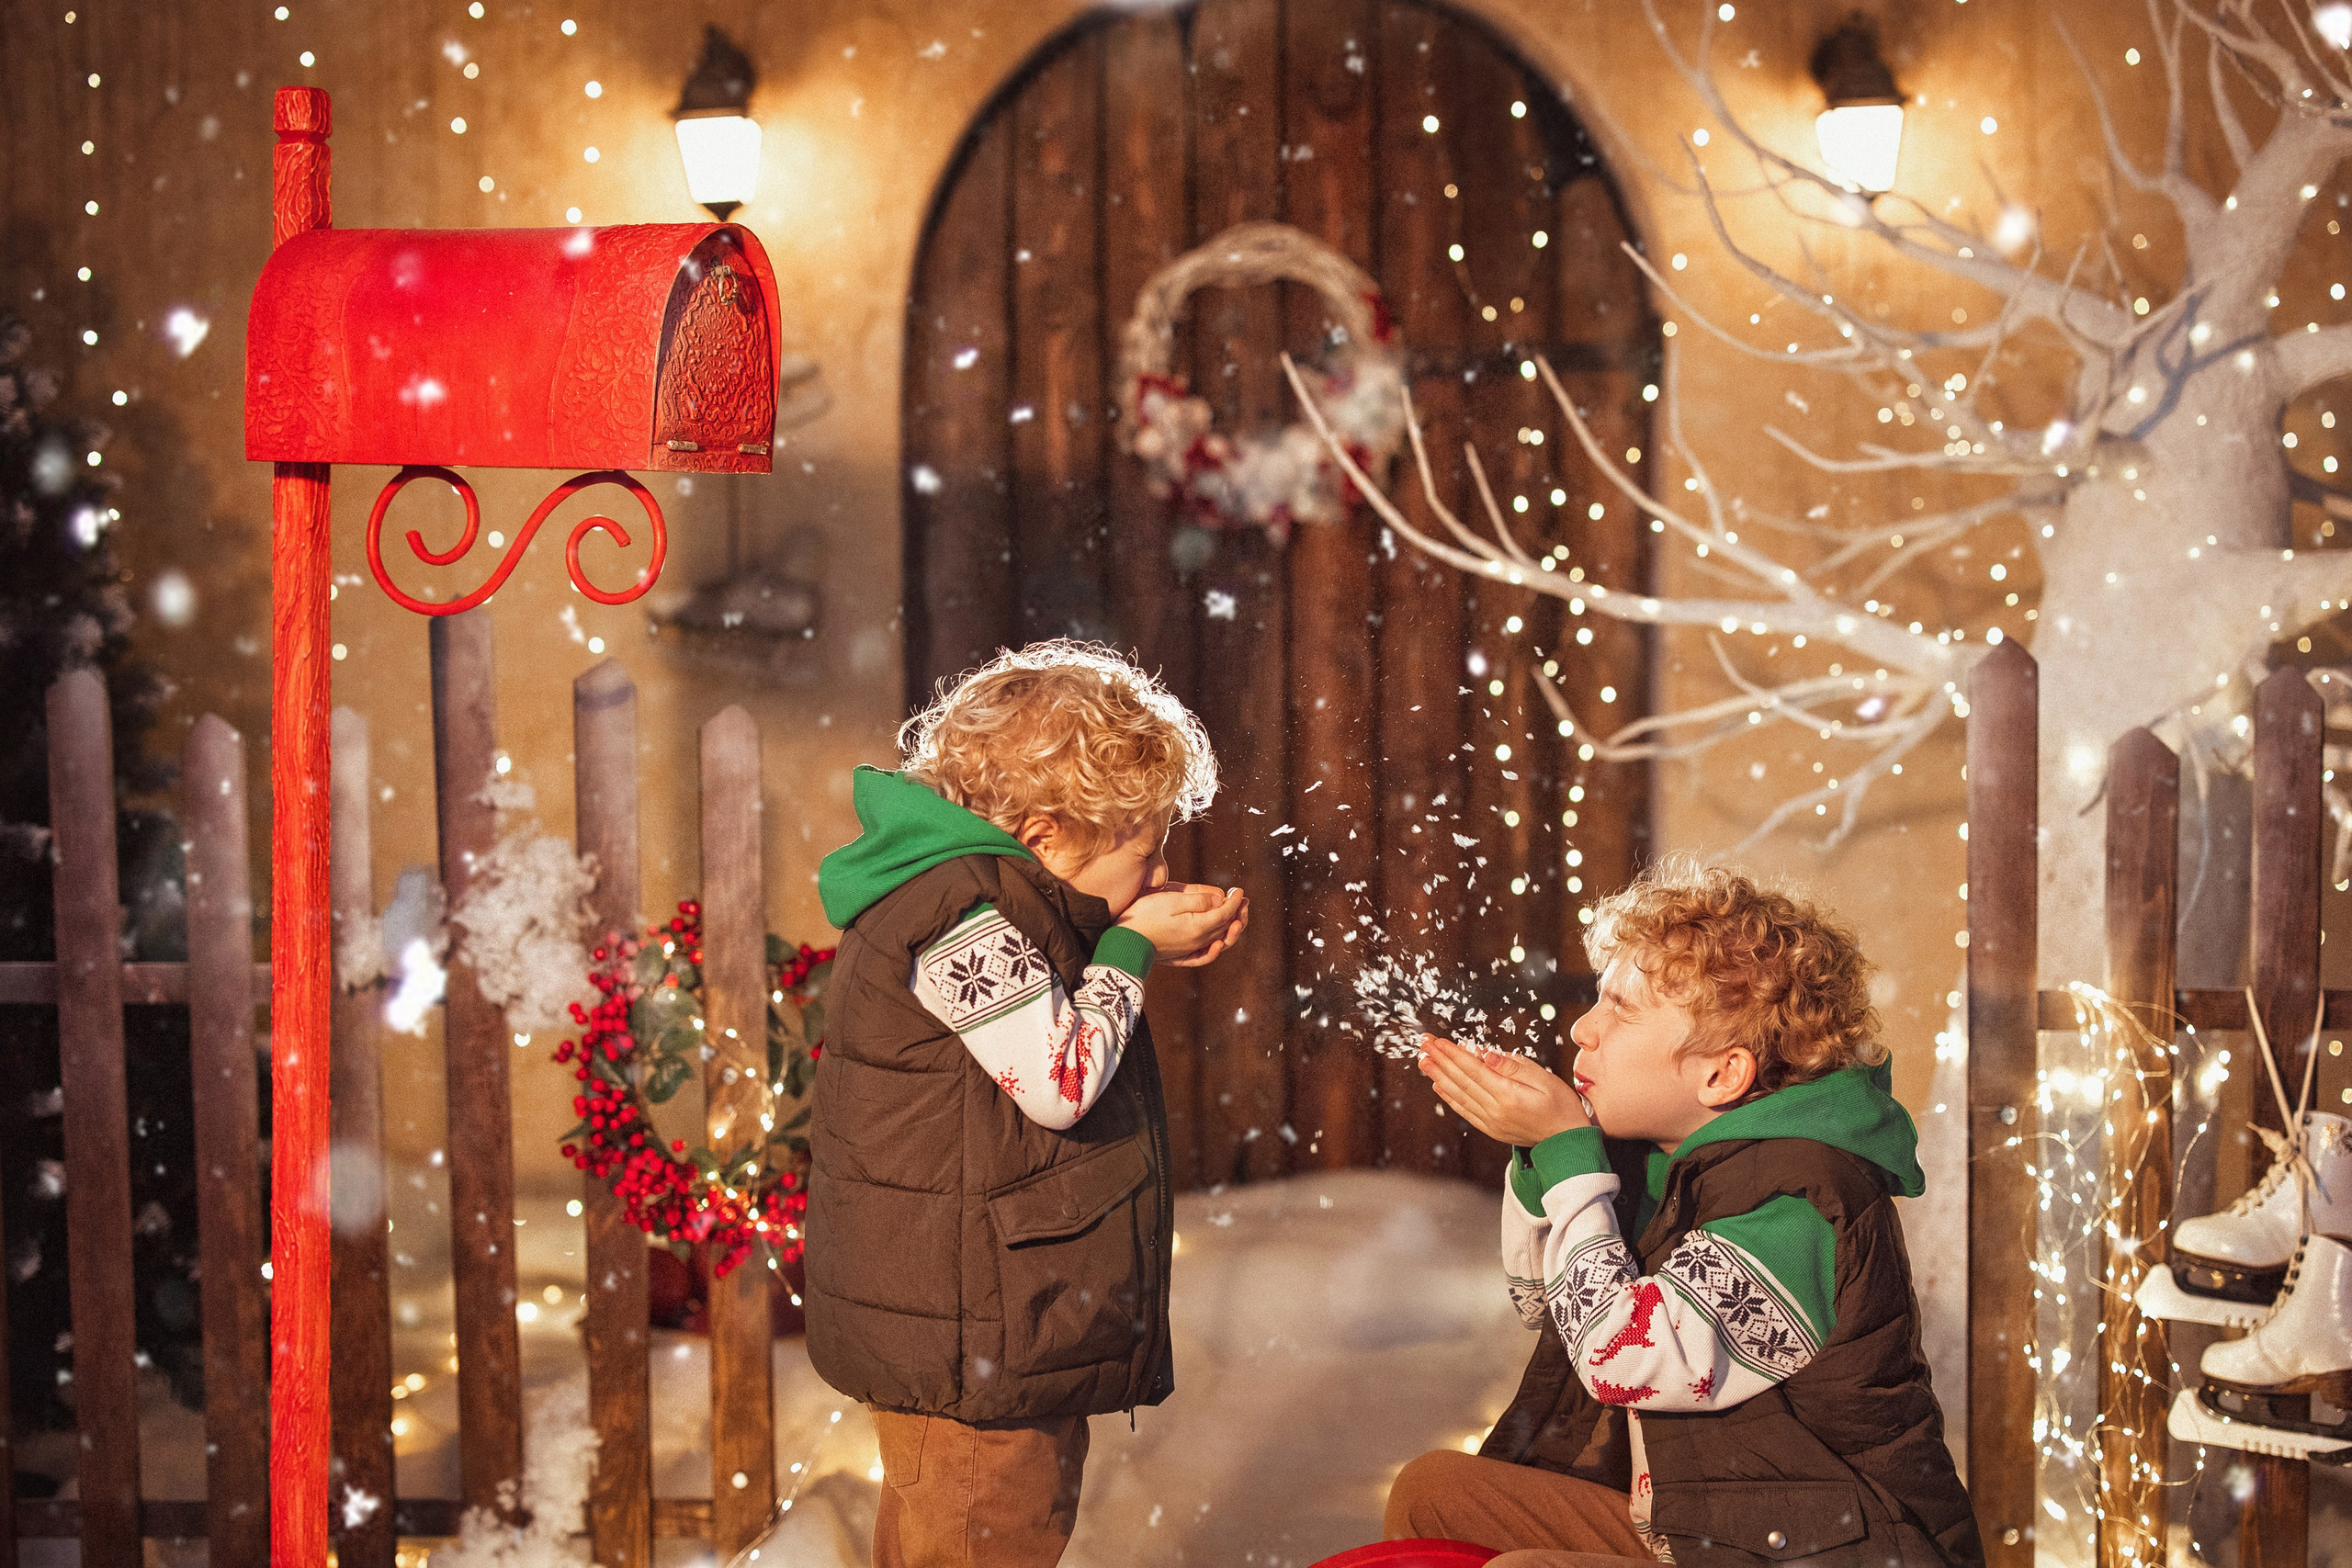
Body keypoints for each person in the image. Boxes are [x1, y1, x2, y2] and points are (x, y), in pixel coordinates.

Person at [1390, 858, 1980, 1566]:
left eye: (1620, 1009)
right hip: (1697, 1531)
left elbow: (1620, 1357)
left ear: (1721, 1073)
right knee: (1432, 1493)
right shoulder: (1665, 1168)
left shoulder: (1799, 1202)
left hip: (1827, 1552)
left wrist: (1569, 1156)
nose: (1583, 1029)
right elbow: (1545, 1303)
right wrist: (1545, 1158)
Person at [803, 641, 1250, 1568]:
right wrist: (1129, 950)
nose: (1158, 873)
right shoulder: (958, 918)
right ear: (1044, 838)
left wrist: (1123, 936)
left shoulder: (969, 898)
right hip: (977, 1343)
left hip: (978, 1330)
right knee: (984, 1537)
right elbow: (1060, 1080)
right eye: (1143, 851)